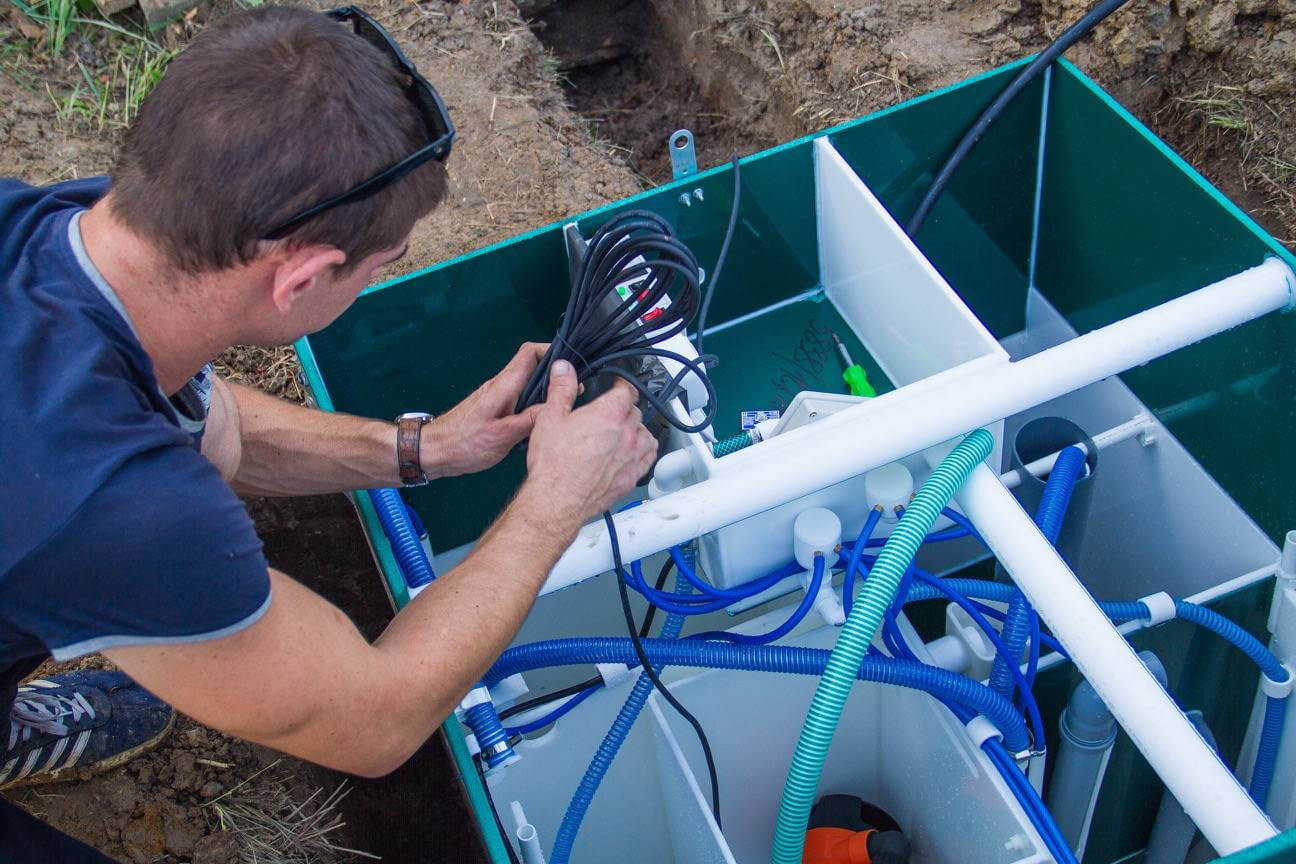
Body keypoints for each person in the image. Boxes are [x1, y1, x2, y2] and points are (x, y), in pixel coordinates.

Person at [0, 6, 658, 860]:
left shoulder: (56, 238)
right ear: (303, 275)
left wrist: (416, 450)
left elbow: (210, 420)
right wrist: (555, 503)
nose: (384, 275)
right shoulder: (115, 509)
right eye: (384, 266)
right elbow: (374, 721)